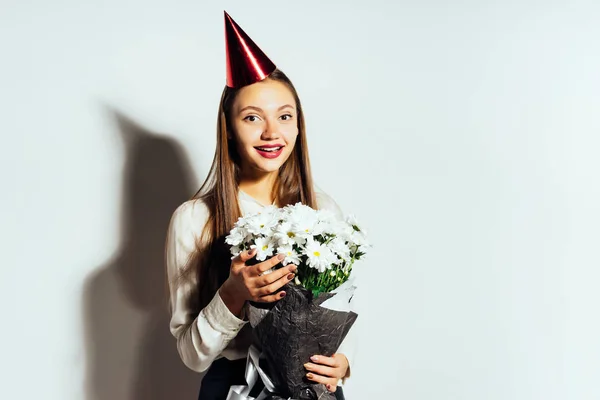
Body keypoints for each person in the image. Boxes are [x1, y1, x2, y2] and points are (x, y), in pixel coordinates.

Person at [165, 11, 357, 400]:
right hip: (236, 387)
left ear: (298, 125)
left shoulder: (324, 210)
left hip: (313, 387)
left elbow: (342, 307)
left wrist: (344, 362)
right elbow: (192, 355)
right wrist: (234, 293)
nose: (272, 132)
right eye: (252, 118)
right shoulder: (195, 220)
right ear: (230, 129)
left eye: (284, 116)